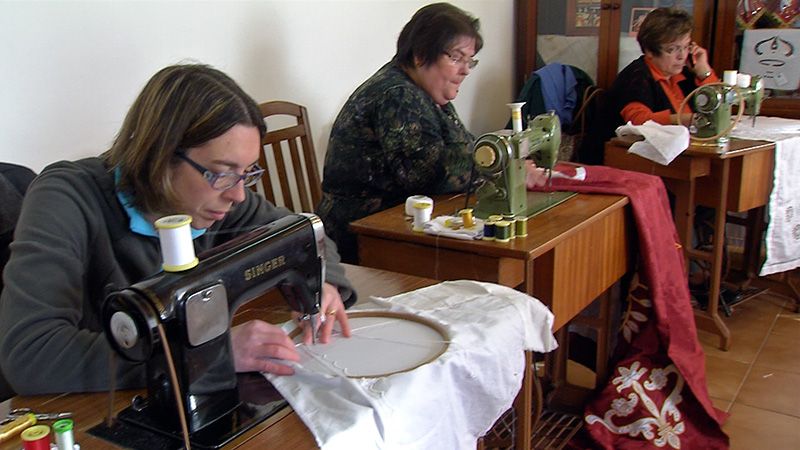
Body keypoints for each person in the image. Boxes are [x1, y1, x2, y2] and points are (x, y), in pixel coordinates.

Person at [0, 64, 355, 395]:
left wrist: (321, 282)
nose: (238, 193)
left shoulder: (220, 197)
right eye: (222, 172)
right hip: (84, 410)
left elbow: (305, 236)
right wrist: (207, 357)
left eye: (248, 172)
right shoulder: (67, 198)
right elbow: (32, 353)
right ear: (160, 156)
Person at [316, 2, 482, 264]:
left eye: (469, 60)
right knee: (480, 258)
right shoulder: (397, 95)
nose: (465, 70)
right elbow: (428, 174)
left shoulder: (426, 94)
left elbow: (463, 145)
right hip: (360, 237)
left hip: (397, 225)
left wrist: (497, 155)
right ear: (420, 55)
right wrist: (497, 165)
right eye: (456, 58)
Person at [577, 7, 719, 165]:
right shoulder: (636, 77)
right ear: (650, 51)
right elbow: (639, 122)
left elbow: (719, 105)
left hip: (670, 159)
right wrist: (685, 119)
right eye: (672, 49)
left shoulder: (684, 74)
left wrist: (704, 72)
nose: (682, 56)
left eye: (686, 47)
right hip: (620, 162)